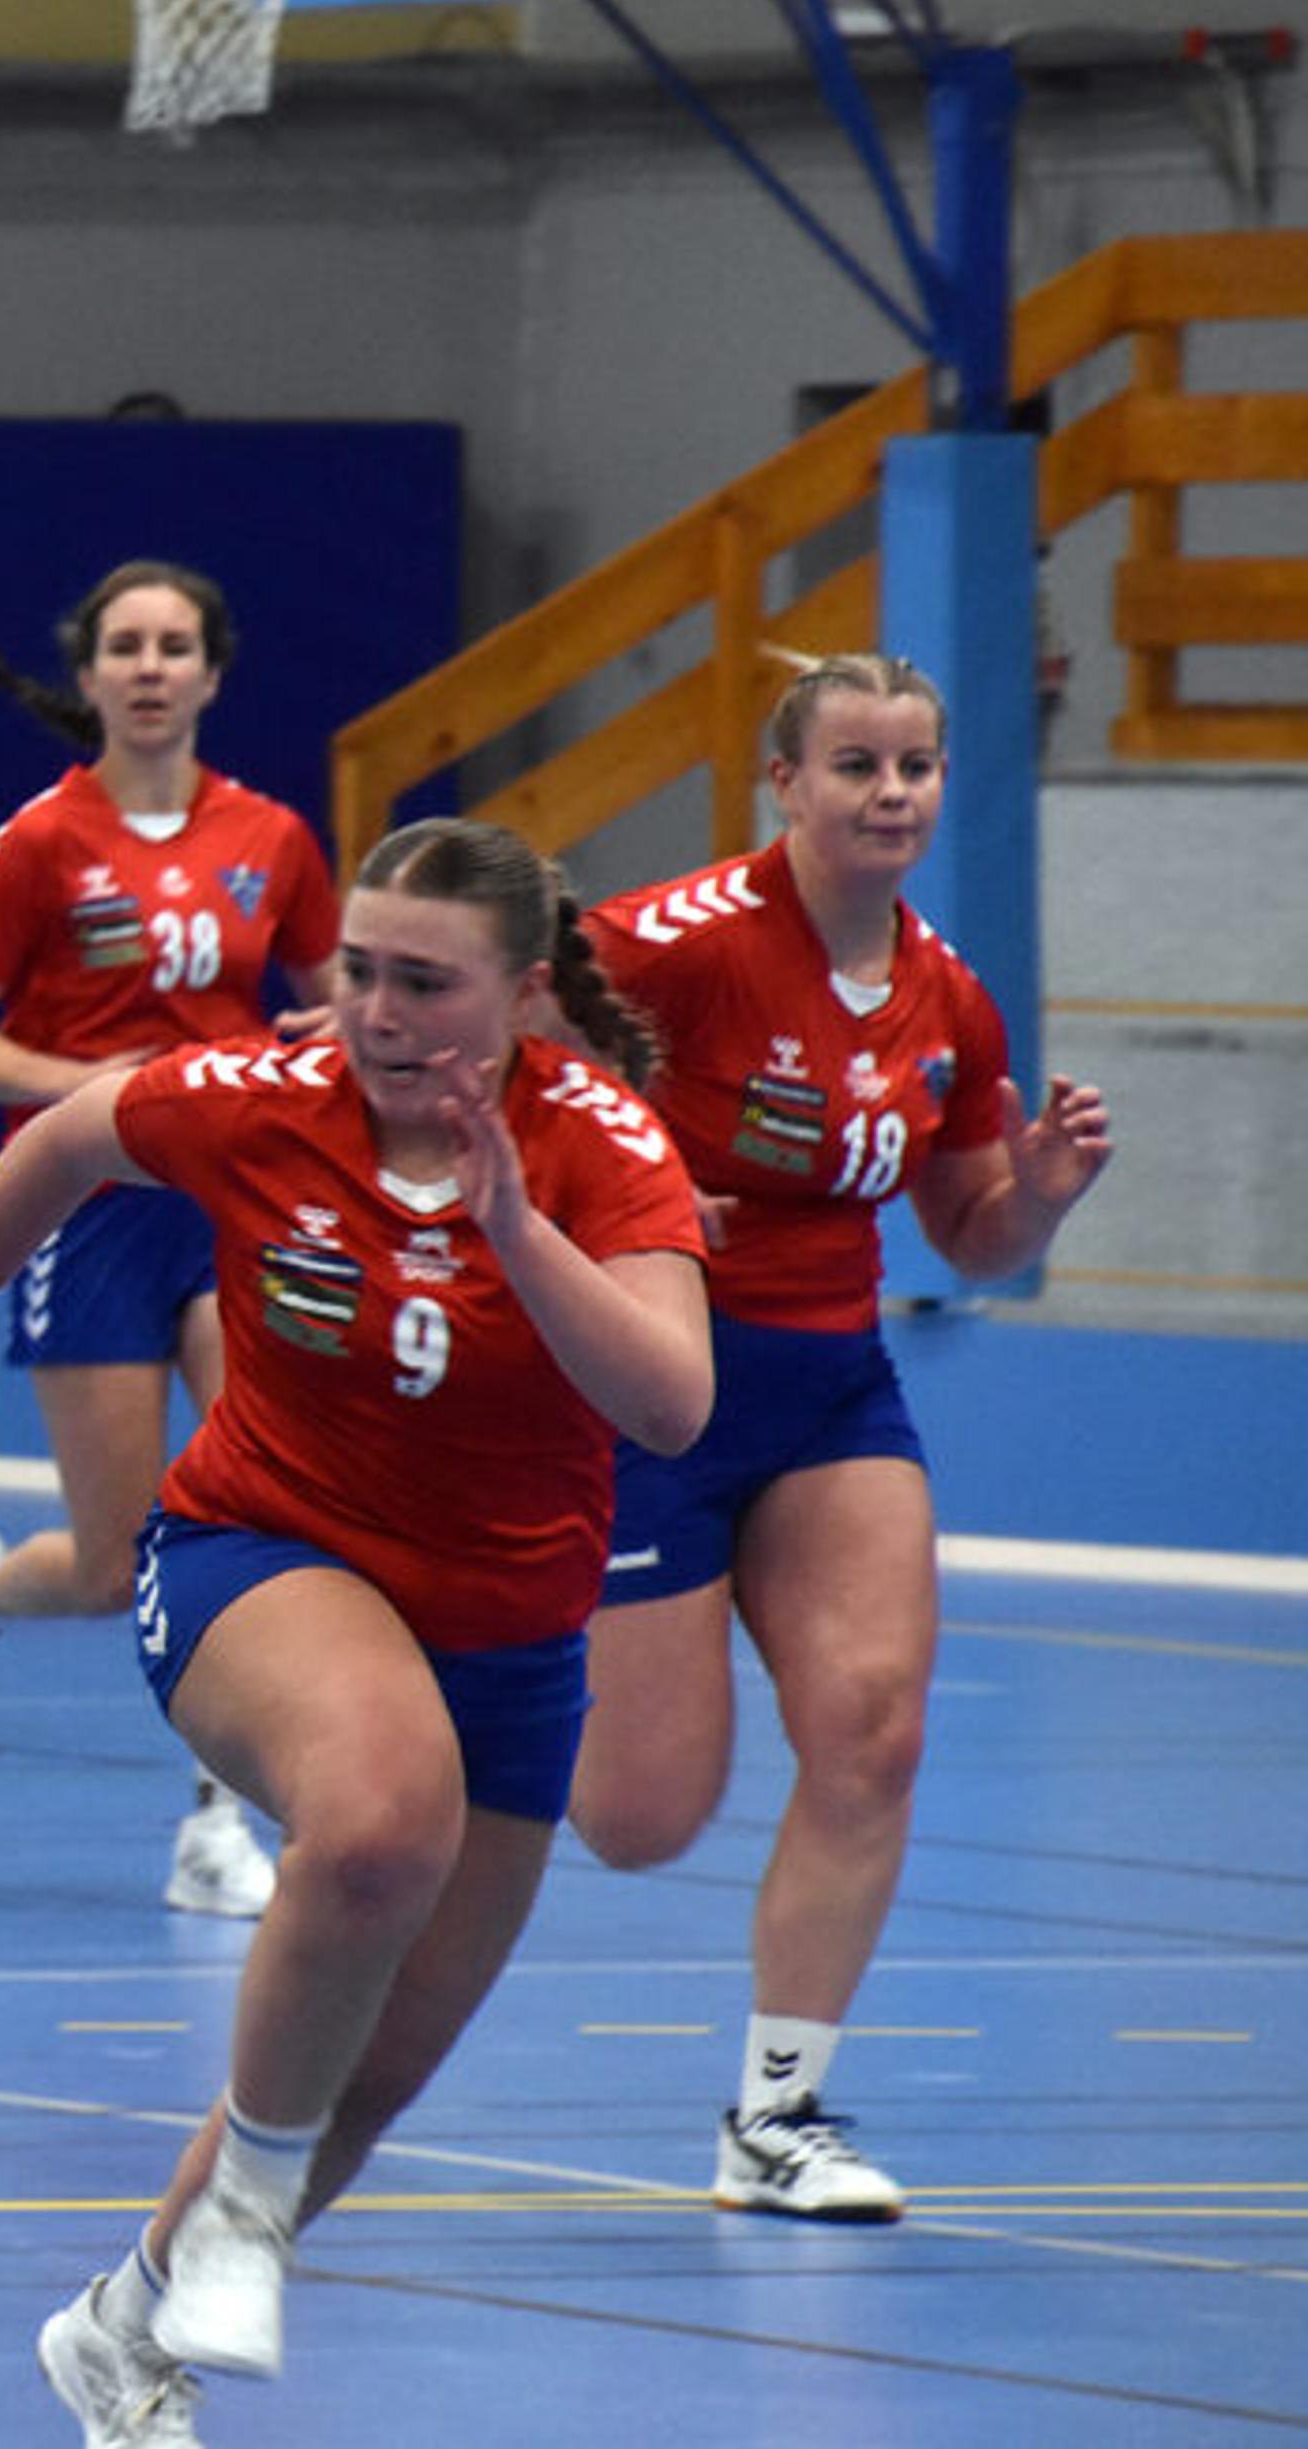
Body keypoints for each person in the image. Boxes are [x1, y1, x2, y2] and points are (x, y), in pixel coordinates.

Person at [0, 816, 711, 2447]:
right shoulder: (267, 1094)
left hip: (510, 1645)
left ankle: (123, 2325)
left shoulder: (600, 1145)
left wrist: (515, 1231)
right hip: (258, 1556)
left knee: (369, 2062)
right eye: (362, 973)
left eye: (428, 984)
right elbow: (74, 1133)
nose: (383, 1014)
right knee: (378, 1820)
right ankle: (244, 2224)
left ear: (522, 998)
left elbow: (674, 1404)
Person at [568, 654, 1113, 2223]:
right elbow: (503, 1075)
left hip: (828, 1390)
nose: (891, 793)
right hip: (652, 1387)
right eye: (858, 765)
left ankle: (775, 2114)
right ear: (786, 783)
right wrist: (624, 1188)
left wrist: (1041, 1195)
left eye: (916, 767)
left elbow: (973, 1230)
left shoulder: (948, 997)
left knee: (874, 1732)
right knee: (640, 1818)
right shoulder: (669, 945)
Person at [0, 563, 341, 1919]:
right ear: (87, 676)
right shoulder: (42, 842)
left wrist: (333, 1038)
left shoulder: (272, 836)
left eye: (174, 645)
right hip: (91, 1213)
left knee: (266, 1513)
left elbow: (334, 1001)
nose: (150, 667)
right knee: (109, 1556)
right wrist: (85, 1090)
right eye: (125, 646)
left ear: (211, 673)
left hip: (233, 1201)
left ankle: (216, 1825)